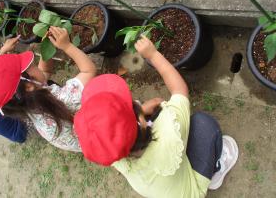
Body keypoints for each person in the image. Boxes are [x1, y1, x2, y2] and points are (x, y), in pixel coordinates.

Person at [74, 35, 239, 198]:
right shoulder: (168, 130)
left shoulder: (114, 154)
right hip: (191, 190)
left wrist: (142, 110)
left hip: (163, 184)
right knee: (203, 124)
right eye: (130, 104)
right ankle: (215, 170)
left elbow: (114, 133)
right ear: (139, 120)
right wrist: (153, 55)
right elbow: (180, 90)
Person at [0, 26, 96, 152]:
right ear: (28, 85)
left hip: (84, 144)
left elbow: (44, 72)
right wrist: (67, 46)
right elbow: (89, 71)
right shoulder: (64, 99)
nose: (35, 64)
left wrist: (47, 47)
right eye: (31, 65)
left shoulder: (27, 104)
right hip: (101, 134)